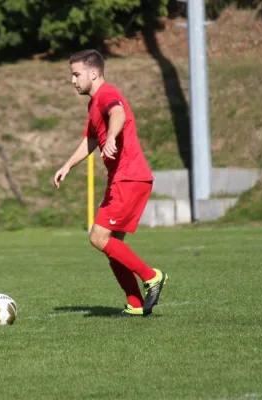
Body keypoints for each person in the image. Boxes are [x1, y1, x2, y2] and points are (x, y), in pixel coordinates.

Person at [53, 50, 168, 317]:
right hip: (124, 178)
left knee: (97, 236)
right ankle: (136, 304)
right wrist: (67, 165)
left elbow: (118, 113)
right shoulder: (92, 104)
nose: (73, 80)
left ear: (93, 73)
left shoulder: (106, 94)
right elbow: (91, 140)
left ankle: (152, 277)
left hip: (128, 177)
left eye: (76, 74)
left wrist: (113, 137)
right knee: (112, 244)